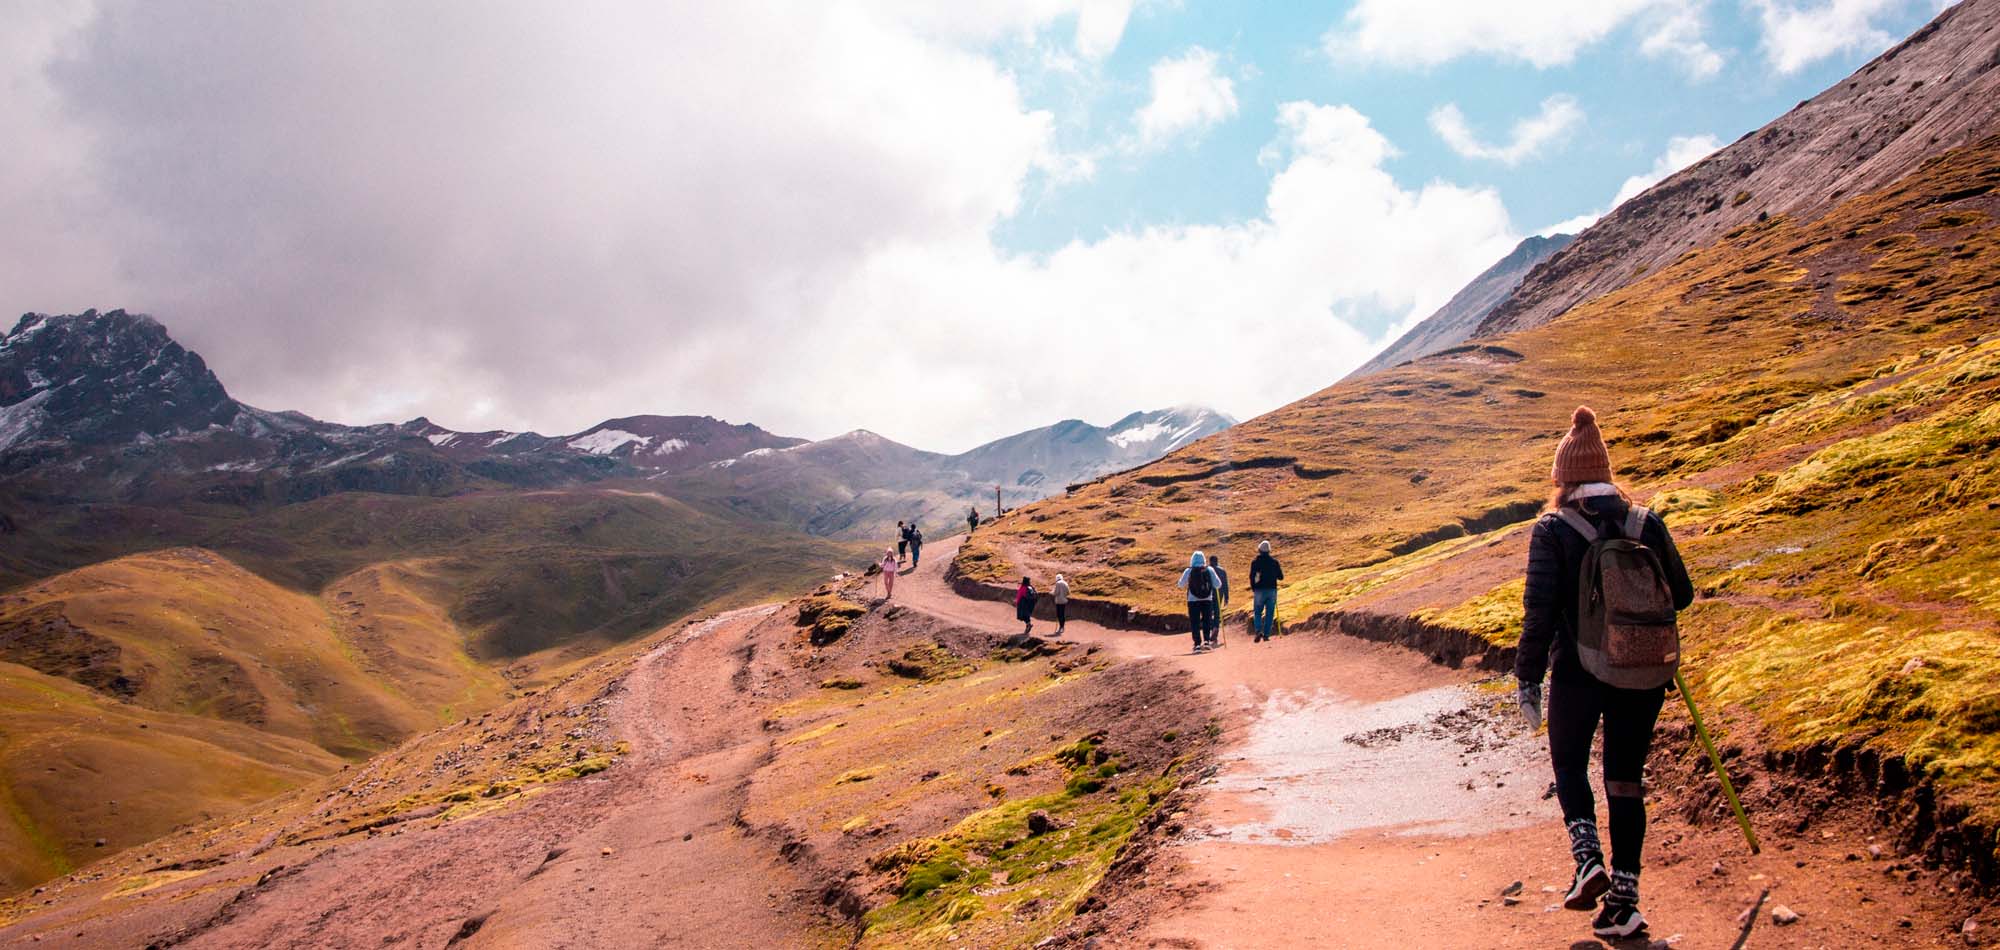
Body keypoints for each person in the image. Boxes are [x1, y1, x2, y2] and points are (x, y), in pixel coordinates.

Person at [1516, 406, 1694, 941]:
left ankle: (1587, 857)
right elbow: (1681, 595)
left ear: (1563, 478)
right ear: (1607, 473)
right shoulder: (1646, 521)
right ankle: (1624, 902)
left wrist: (1528, 677)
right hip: (1642, 669)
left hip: (1577, 670)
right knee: (1626, 779)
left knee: (1570, 764)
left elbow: (1539, 612)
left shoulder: (1553, 527)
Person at [1176, 552, 1225, 653]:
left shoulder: (1189, 570)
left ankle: (1197, 644)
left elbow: (1180, 584)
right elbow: (1218, 584)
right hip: (1207, 599)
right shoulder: (1209, 569)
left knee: (1195, 622)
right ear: (1203, 559)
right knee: (1207, 620)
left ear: (1192, 560)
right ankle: (1206, 641)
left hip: (1193, 600)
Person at [1249, 541, 1283, 642]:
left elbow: (1252, 576)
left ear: (1259, 550)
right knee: (1270, 612)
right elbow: (1281, 577)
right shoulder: (1274, 562)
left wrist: (1253, 588)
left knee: (1258, 612)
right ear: (1269, 551)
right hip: (1272, 590)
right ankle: (1267, 634)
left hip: (1259, 590)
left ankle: (1258, 630)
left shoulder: (1255, 562)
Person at [1209, 556, 1230, 645]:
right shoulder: (1222, 571)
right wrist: (1226, 597)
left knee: (1209, 613)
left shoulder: (1208, 570)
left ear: (1210, 561)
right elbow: (1225, 584)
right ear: (1217, 561)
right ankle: (1216, 629)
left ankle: (1212, 628)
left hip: (1209, 595)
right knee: (1217, 612)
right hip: (1219, 594)